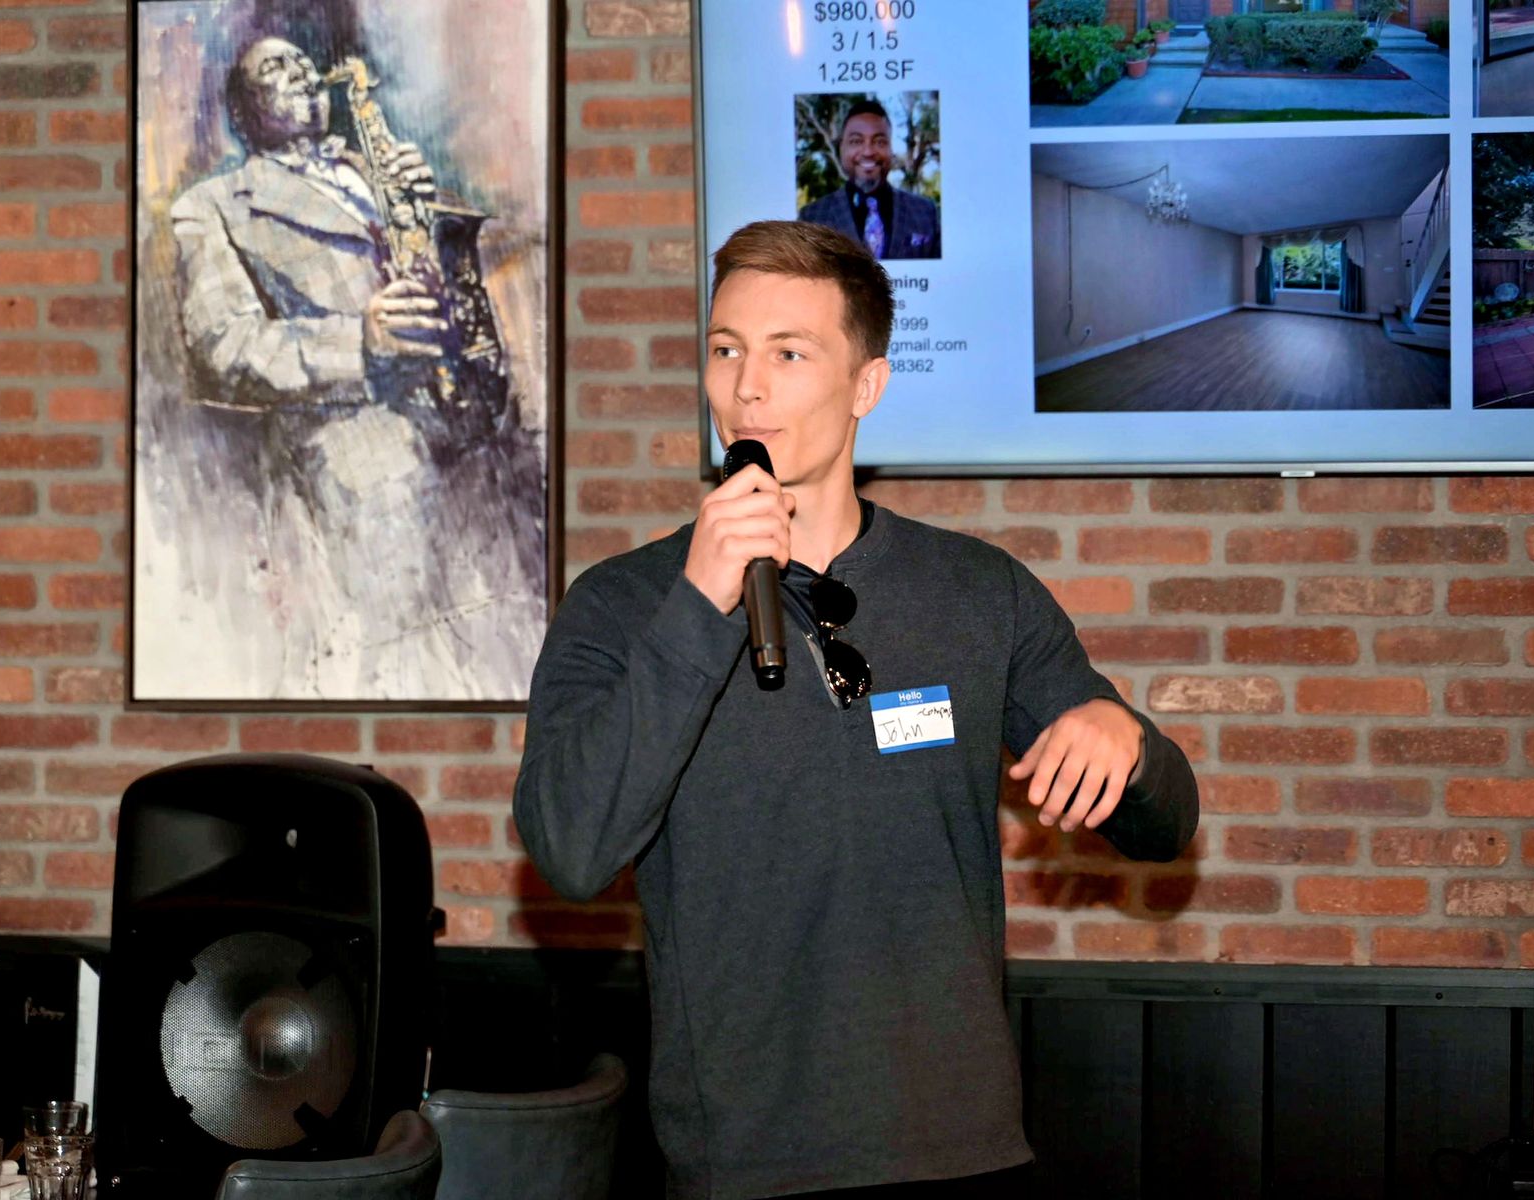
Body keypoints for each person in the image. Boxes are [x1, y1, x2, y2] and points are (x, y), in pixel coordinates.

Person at [513, 220, 1198, 1198]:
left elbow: (1166, 826)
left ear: (865, 386)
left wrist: (1126, 741)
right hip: (745, 1163)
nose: (747, 388)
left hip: (961, 1149)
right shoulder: (622, 607)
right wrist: (698, 607)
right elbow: (571, 851)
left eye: (789, 354)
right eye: (726, 350)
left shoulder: (977, 592)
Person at [163, 35, 544, 700]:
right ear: (243, 113)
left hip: (457, 401)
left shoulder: (373, 168)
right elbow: (223, 347)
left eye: (303, 62)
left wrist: (424, 209)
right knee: (409, 625)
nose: (303, 72)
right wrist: (360, 340)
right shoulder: (212, 206)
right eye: (276, 68)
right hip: (346, 425)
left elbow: (432, 262)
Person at [798, 99, 941, 260]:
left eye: (879, 141)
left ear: (891, 148)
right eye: (856, 141)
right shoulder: (811, 217)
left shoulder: (926, 212)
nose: (868, 152)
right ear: (841, 149)